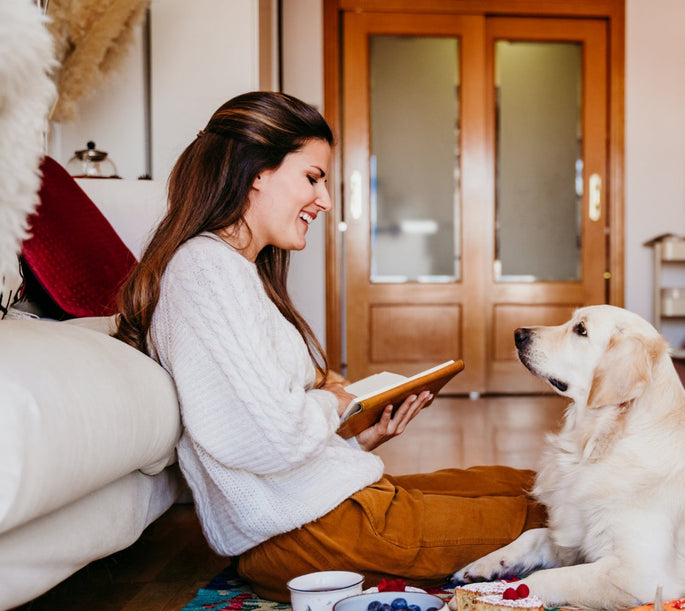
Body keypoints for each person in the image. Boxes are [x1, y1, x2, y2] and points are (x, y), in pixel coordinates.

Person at [114, 91, 544, 602]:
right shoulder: (204, 271)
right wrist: (336, 402)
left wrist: (358, 440)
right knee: (555, 517)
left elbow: (259, 429)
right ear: (257, 172)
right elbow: (270, 436)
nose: (325, 201)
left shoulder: (234, 270)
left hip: (323, 508)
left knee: (532, 483)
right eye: (313, 178)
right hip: (307, 532)